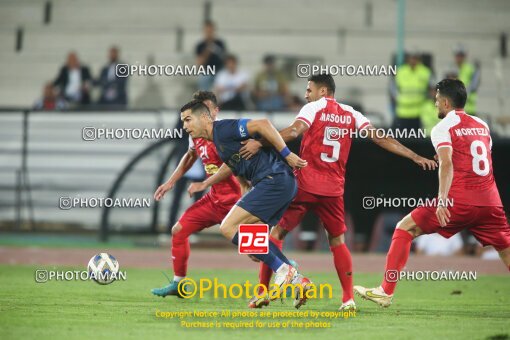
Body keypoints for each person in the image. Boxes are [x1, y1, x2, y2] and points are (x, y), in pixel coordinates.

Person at [239, 73, 437, 311]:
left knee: (276, 235)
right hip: (333, 190)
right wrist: (414, 156)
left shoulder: (313, 109)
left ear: (323, 92)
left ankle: (262, 293)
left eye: (309, 90)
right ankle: (348, 299)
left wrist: (261, 141)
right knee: (338, 242)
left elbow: (293, 132)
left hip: (304, 184)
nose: (305, 94)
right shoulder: (352, 113)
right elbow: (380, 138)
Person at [354, 79, 510, 307]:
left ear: (446, 102)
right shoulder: (482, 125)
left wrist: (443, 200)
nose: (435, 104)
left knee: (404, 228)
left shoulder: (443, 127)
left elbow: (447, 163)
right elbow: (478, 157)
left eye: (437, 100)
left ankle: (385, 291)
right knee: (506, 251)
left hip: (460, 200)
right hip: (490, 201)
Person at [183, 99, 312, 308]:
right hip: (279, 184)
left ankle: (283, 270)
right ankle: (299, 281)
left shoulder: (223, 129)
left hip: (275, 179)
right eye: (183, 122)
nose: (185, 126)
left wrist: (287, 155)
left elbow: (263, 124)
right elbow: (238, 173)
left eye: (188, 119)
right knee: (254, 242)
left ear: (205, 117)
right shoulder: (220, 144)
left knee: (227, 227)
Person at [151, 91, 245, 298]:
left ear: (214, 111)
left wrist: (204, 183)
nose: (200, 116)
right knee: (178, 230)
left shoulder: (226, 132)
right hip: (214, 200)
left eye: (205, 110)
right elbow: (191, 155)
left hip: (238, 202)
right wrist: (170, 182)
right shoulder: (196, 134)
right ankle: (179, 284)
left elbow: (234, 164)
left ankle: (288, 271)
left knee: (258, 252)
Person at [391, 51, 433, 130]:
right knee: (402, 139)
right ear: (408, 59)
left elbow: (432, 89)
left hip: (419, 113)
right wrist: (397, 99)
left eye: (415, 58)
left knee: (417, 140)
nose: (413, 60)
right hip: (402, 112)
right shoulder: (401, 71)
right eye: (412, 58)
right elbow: (393, 88)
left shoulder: (425, 72)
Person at [195, 20, 227, 91]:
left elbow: (225, 58)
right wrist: (207, 50)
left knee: (223, 83)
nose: (209, 33)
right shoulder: (200, 46)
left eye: (211, 31)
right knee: (203, 83)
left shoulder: (220, 43)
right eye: (207, 31)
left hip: (219, 70)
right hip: (207, 71)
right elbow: (199, 63)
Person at [453, 44, 480, 115]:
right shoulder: (454, 69)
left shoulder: (470, 68)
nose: (458, 58)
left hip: (469, 108)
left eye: (461, 55)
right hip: (457, 109)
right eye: (457, 55)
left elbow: (474, 85)